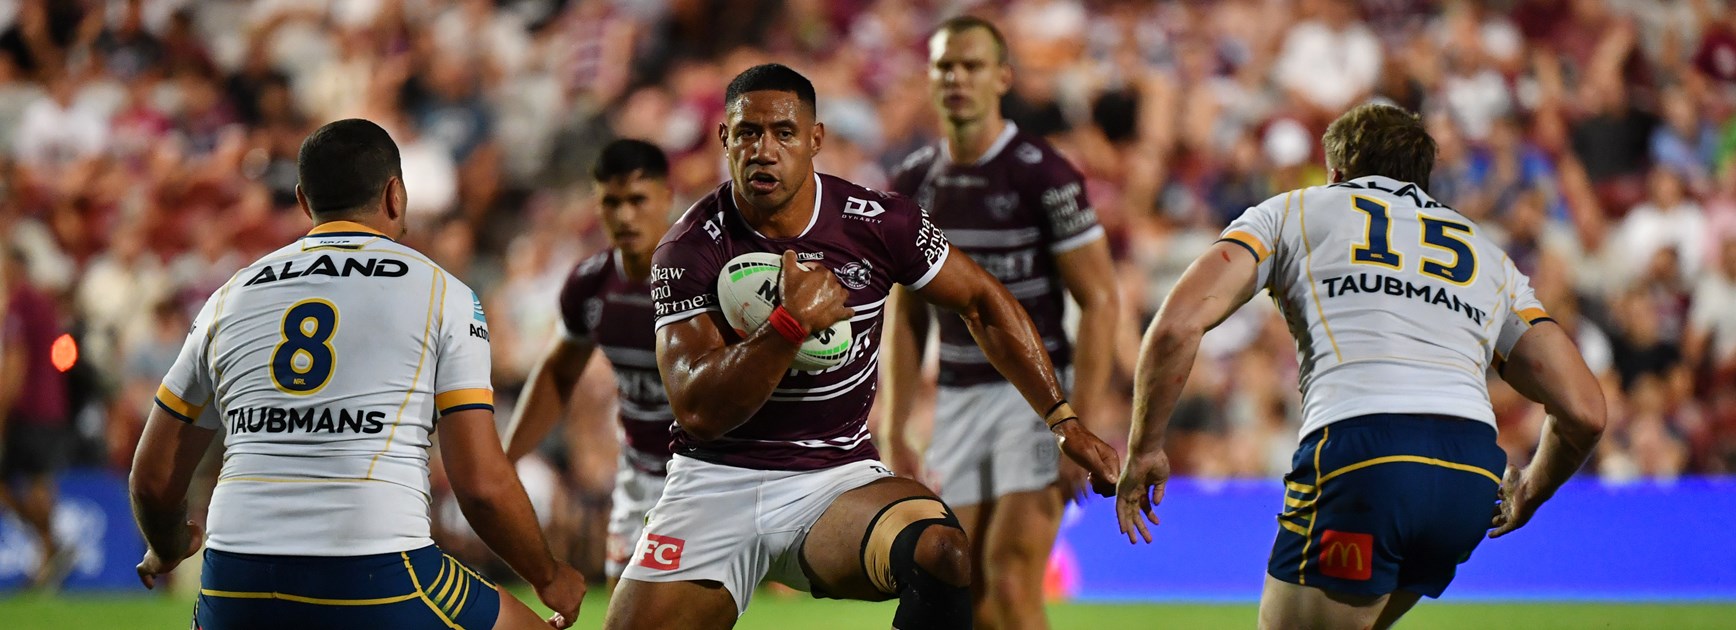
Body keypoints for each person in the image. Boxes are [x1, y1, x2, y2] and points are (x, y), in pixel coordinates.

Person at [603, 64, 1122, 630]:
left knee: (943, 552)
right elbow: (697, 411)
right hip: (714, 482)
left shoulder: (879, 222)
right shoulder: (687, 248)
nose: (764, 151)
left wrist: (1063, 420)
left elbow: (983, 301)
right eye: (748, 133)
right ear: (725, 139)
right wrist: (788, 327)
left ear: (815, 140)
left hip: (832, 479)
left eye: (784, 133)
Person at [1114, 103, 1606, 629]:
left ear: (1336, 171)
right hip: (1469, 474)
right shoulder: (1487, 255)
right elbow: (1585, 410)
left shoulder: (1292, 211)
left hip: (1363, 453)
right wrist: (1529, 489)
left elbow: (1176, 326)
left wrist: (1144, 447)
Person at [129, 119, 586, 630]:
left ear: (304, 202)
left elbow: (152, 479)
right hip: (375, 570)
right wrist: (548, 575)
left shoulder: (228, 298)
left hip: (235, 580)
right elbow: (479, 484)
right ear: (395, 195)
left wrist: (168, 546)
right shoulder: (443, 295)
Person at [884, 16, 1120, 628]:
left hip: (1035, 397)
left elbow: (1100, 300)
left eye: (972, 65)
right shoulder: (913, 183)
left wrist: (1080, 423)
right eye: (945, 66)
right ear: (930, 77)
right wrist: (895, 426)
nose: (957, 78)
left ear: (1002, 78)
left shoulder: (1044, 174)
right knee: (965, 586)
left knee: (1012, 577)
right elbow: (907, 313)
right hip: (958, 400)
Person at [503, 138, 677, 591]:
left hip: (708, 471)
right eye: (611, 203)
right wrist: (506, 460)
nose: (624, 216)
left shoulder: (706, 275)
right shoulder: (591, 282)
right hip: (640, 475)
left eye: (637, 200)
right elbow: (558, 373)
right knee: (626, 612)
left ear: (666, 197)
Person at [0, 246, 73, 589]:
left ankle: (50, 545)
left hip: (28, 408)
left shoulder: (20, 303)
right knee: (40, 481)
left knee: (25, 482)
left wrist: (2, 409)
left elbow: (17, 361)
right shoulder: (42, 302)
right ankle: (49, 552)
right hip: (51, 405)